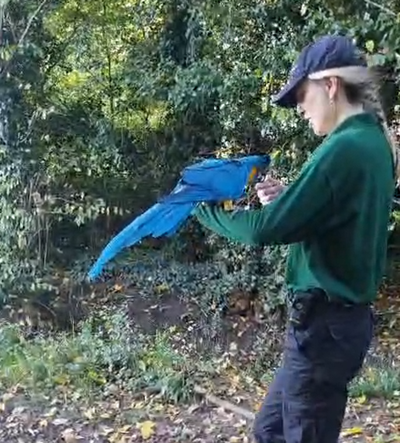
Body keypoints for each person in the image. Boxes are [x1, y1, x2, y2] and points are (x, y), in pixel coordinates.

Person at [193, 34, 399, 443]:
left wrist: (203, 210)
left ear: (331, 85)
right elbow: (339, 219)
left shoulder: (344, 149)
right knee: (269, 431)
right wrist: (292, 200)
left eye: (302, 96)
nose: (300, 109)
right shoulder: (371, 142)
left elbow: (266, 229)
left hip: (324, 329)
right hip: (328, 327)